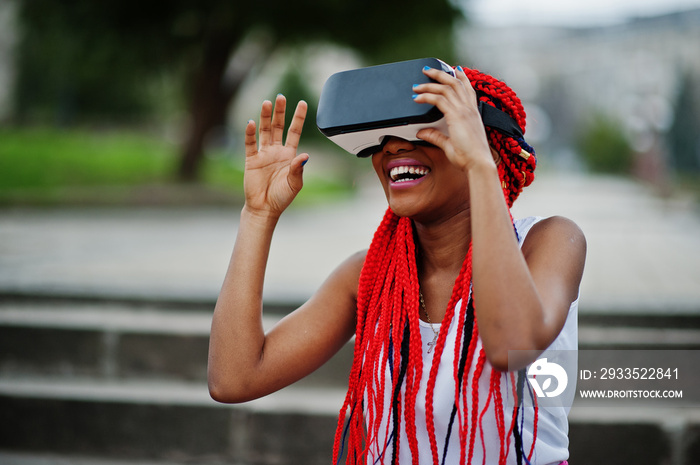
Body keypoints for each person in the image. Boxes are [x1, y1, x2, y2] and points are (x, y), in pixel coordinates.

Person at [208, 63, 586, 465]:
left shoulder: (549, 241)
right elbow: (235, 377)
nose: (391, 147)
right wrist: (258, 215)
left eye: (422, 129)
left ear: (487, 145)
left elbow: (511, 343)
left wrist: (479, 166)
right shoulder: (368, 275)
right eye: (381, 139)